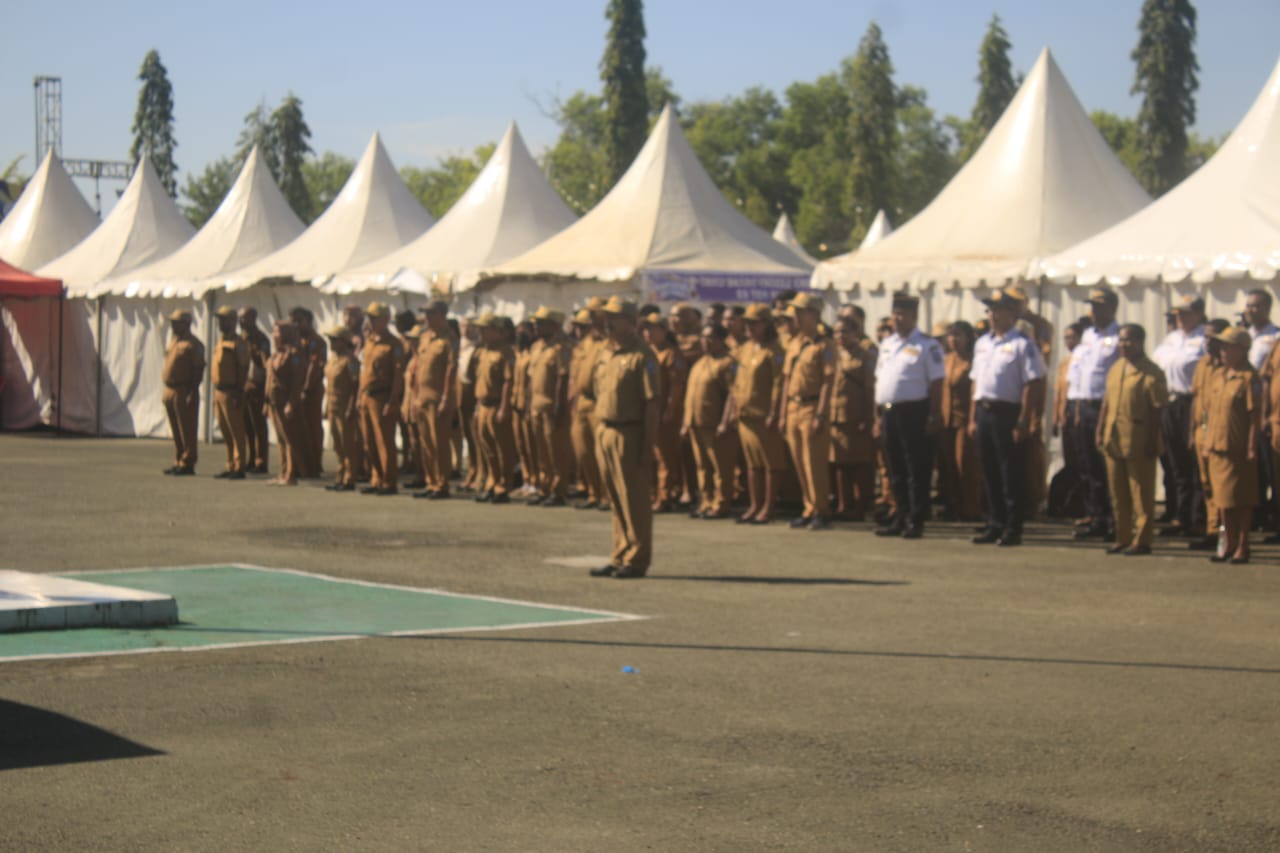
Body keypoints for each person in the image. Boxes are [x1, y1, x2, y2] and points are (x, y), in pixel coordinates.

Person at [587, 297, 661, 579]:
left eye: (614, 318)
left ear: (631, 322)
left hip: (630, 432)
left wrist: (647, 446)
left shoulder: (643, 355)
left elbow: (652, 404)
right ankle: (620, 553)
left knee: (634, 500)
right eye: (606, 317)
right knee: (616, 498)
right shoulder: (606, 352)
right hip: (605, 428)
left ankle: (637, 557)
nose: (608, 322)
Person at [969, 290, 1046, 547]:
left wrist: (1024, 420)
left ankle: (1013, 526)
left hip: (1008, 412)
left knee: (1011, 472)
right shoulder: (982, 344)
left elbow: (1033, 383)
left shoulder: (1023, 344)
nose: (992, 315)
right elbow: (975, 383)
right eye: (990, 310)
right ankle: (995, 522)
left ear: (1011, 314)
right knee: (989, 471)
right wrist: (972, 418)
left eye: (998, 310)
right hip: (984, 411)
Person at [873, 292, 945, 539]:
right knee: (896, 469)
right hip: (889, 412)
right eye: (894, 314)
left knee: (917, 468)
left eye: (902, 314)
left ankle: (916, 519)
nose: (897, 319)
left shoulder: (927, 345)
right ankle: (900, 515)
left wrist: (934, 415)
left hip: (915, 411)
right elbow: (880, 380)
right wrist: (877, 416)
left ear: (913, 317)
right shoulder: (887, 344)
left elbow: (937, 383)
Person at [1096, 324, 1167, 555]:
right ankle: (1122, 536)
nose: (1124, 345)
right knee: (1118, 493)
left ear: (1140, 342)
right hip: (1114, 437)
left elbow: (1158, 410)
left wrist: (1153, 438)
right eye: (1121, 340)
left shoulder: (1151, 372)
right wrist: (1099, 429)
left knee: (1141, 492)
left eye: (1129, 340)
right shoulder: (1116, 368)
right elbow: (1106, 403)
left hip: (1139, 438)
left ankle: (1142, 539)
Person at [724, 304, 787, 525]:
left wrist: (774, 412)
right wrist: (733, 410)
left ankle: (768, 508)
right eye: (747, 323)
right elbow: (736, 383)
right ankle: (754, 505)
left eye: (754, 323)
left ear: (766, 324)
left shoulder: (774, 351)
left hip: (764, 416)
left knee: (771, 464)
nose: (749, 327)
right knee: (752, 465)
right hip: (745, 415)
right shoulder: (746, 349)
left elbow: (779, 385)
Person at [1203, 327, 1261, 564]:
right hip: (1217, 445)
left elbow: (1255, 417)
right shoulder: (1218, 375)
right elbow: (1210, 412)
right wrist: (1207, 442)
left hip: (1237, 447)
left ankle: (1243, 545)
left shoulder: (1249, 378)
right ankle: (1229, 543)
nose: (1223, 351)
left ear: (1243, 349)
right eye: (1222, 346)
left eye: (1229, 346)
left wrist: (1251, 446)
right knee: (1222, 501)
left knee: (1241, 499)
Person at [779, 293, 837, 530]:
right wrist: (783, 413)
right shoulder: (794, 343)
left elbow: (828, 381)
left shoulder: (825, 345)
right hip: (793, 406)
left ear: (814, 314)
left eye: (800, 312)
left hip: (812, 407)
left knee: (814, 463)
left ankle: (821, 509)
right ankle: (808, 506)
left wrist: (821, 414)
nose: (796, 317)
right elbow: (786, 380)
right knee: (799, 463)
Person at [1067, 288, 1121, 540]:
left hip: (1105, 407)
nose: (1095, 311)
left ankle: (1114, 519)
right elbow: (1078, 376)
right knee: (1087, 466)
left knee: (1106, 466)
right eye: (1093, 306)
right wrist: (1076, 409)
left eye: (1100, 306)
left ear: (1112, 308)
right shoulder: (1088, 335)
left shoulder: (1119, 336)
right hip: (1084, 406)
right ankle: (1095, 517)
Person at [1152, 295, 1207, 537]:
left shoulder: (1204, 338)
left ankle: (1198, 517)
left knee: (1194, 463)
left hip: (1191, 403)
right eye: (1178, 314)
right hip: (1169, 403)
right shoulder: (1171, 339)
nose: (1180, 318)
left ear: (1198, 314)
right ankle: (1180, 515)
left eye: (1185, 313)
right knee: (1175, 463)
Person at [681, 324, 737, 519]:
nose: (706, 342)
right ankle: (706, 501)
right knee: (702, 466)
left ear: (722, 340)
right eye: (704, 338)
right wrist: (686, 422)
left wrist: (725, 421)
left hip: (714, 423)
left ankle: (721, 503)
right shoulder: (700, 362)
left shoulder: (728, 363)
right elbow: (690, 394)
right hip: (696, 422)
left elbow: (732, 394)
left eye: (711, 338)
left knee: (720, 467)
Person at [1188, 319, 1232, 550]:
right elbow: (1196, 398)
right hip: (1200, 431)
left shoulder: (1229, 367)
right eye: (1205, 337)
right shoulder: (1203, 364)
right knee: (1205, 483)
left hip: (1220, 433)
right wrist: (1190, 432)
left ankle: (1225, 532)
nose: (1208, 342)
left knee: (1222, 484)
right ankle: (1212, 528)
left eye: (1212, 338)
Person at [411, 300, 459, 501]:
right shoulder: (424, 338)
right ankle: (431, 481)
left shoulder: (450, 339)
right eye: (426, 314)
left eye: (431, 314)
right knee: (426, 443)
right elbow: (417, 367)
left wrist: (446, 398)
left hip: (438, 398)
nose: (427, 318)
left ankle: (441, 483)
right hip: (422, 398)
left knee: (439, 443)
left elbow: (451, 370)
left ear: (441, 314)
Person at [829, 316, 876, 521]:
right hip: (835, 416)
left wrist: (868, 417)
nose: (840, 336)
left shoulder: (865, 356)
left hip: (856, 416)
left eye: (845, 332)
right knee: (838, 462)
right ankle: (843, 503)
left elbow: (870, 389)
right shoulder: (833, 355)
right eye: (837, 332)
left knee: (859, 463)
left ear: (856, 333)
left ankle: (860, 505)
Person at [527, 307, 573, 507]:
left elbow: (562, 379)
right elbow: (531, 378)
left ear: (554, 325)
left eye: (541, 323)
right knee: (541, 451)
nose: (536, 326)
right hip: (536, 405)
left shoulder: (561, 348)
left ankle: (558, 489)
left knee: (556, 451)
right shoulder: (536, 347)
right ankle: (544, 486)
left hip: (550, 406)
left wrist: (559, 406)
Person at [641, 309, 686, 513]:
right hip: (648, 411)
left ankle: (665, 495)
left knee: (664, 457)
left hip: (664, 412)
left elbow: (676, 385)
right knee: (649, 455)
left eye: (653, 329)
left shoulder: (671, 353)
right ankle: (652, 494)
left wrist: (670, 410)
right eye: (646, 329)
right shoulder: (647, 352)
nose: (649, 334)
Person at [358, 302, 405, 496]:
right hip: (366, 396)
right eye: (369, 317)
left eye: (374, 317)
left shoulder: (393, 344)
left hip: (382, 396)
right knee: (369, 441)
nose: (370, 321)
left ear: (385, 320)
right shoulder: (369, 341)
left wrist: (392, 400)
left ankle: (388, 481)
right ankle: (376, 477)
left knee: (384, 441)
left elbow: (398, 375)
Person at [471, 313, 517, 504]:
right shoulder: (482, 352)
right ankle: (492, 482)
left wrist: (504, 407)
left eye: (485, 329)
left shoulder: (505, 352)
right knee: (487, 449)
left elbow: (508, 382)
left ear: (496, 331)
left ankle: (503, 487)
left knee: (502, 449)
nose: (480, 332)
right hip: (483, 405)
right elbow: (478, 381)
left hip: (497, 405)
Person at [939, 321, 982, 521]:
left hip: (964, 418)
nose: (953, 340)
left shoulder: (973, 361)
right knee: (947, 465)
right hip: (946, 419)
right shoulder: (946, 360)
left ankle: (971, 507)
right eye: (950, 336)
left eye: (958, 335)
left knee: (965, 463)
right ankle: (952, 504)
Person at [1243, 289, 1278, 531]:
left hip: (1263, 410)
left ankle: (1273, 518)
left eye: (1256, 306)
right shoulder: (1243, 336)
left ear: (1267, 308)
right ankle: (1256, 517)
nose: (1251, 310)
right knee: (1251, 468)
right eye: (1249, 306)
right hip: (1240, 409)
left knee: (1270, 467)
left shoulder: (1274, 337)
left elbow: (1267, 379)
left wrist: (1265, 413)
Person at [1049, 320, 1089, 519]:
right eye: (1065, 338)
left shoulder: (1085, 359)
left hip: (1079, 416)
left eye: (1072, 337)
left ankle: (1080, 504)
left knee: (1083, 463)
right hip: (1066, 418)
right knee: (1071, 461)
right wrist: (1056, 418)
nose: (1069, 342)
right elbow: (1059, 393)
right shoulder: (1065, 363)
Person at [569, 308, 607, 510]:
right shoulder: (584, 345)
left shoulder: (607, 343)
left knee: (601, 452)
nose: (580, 329)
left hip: (598, 402)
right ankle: (594, 492)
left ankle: (606, 495)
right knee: (583, 451)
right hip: (581, 402)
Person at [161, 309, 205, 476]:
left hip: (184, 390)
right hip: (170, 390)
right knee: (176, 428)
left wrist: (192, 391)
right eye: (172, 322)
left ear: (186, 324)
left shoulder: (193, 344)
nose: (173, 325)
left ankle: (188, 461)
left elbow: (198, 369)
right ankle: (179, 459)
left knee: (187, 428)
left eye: (176, 322)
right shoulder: (174, 341)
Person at [210, 305, 250, 480]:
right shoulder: (220, 341)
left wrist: (239, 392)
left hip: (231, 391)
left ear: (233, 322)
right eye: (220, 320)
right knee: (225, 430)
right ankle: (230, 463)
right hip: (219, 391)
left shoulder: (239, 343)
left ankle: (239, 465)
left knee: (236, 431)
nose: (220, 323)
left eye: (224, 320)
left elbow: (243, 368)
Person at [264, 321, 305, 486]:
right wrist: (266, 402)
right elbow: (270, 380)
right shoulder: (275, 354)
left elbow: (297, 382)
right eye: (273, 332)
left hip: (285, 402)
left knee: (289, 439)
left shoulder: (294, 355)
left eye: (277, 332)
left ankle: (291, 474)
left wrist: (292, 403)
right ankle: (282, 472)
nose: (274, 335)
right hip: (274, 402)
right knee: (280, 439)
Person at [322, 326, 360, 492]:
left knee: (347, 443)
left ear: (343, 341)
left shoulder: (350, 361)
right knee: (337, 443)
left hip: (345, 406)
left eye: (334, 339)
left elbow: (355, 385)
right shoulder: (332, 360)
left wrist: (352, 406)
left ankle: (349, 477)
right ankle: (340, 473)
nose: (331, 342)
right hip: (333, 405)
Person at [291, 307, 326, 478]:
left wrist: (305, 388)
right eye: (293, 321)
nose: (295, 325)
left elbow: (314, 367)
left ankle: (314, 464)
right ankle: (301, 464)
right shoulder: (296, 341)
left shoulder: (316, 342)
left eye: (298, 321)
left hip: (311, 390)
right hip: (296, 388)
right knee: (298, 427)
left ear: (308, 320)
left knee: (312, 427)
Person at [238, 307, 271, 474]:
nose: (241, 321)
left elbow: (265, 363)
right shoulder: (240, 338)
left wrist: (255, 353)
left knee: (258, 426)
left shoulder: (261, 339)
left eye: (244, 318)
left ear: (253, 318)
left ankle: (261, 461)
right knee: (246, 427)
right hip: (244, 387)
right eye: (239, 318)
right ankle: (249, 459)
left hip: (257, 385)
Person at [399, 322, 425, 489]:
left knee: (423, 443)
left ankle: (427, 475)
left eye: (415, 340)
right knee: (414, 443)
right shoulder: (412, 360)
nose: (411, 343)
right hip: (408, 406)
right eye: (409, 340)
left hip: (419, 406)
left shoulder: (423, 360)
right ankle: (419, 474)